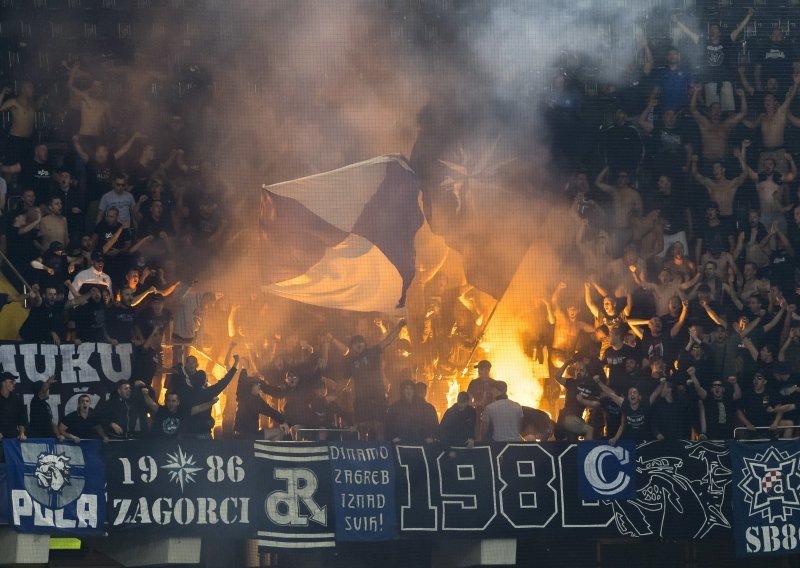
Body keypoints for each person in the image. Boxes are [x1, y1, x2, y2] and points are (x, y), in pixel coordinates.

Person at [331, 319, 407, 441]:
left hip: (378, 396)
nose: (359, 345)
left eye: (360, 342)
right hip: (361, 400)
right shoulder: (350, 362)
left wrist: (399, 326)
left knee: (379, 426)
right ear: (352, 347)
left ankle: (381, 452)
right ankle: (365, 454)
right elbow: (345, 382)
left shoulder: (372, 352)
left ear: (364, 344)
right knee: (362, 428)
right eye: (356, 344)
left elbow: (387, 341)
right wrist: (336, 394)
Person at [673, 9, 753, 113]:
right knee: (713, 113)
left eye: (715, 29)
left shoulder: (726, 41)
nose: (712, 31)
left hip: (725, 82)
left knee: (728, 112)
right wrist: (677, 22)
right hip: (710, 83)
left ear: (719, 33)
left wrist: (748, 17)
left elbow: (739, 29)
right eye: (711, 29)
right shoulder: (704, 42)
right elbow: (690, 33)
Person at [174, 354, 239, 439]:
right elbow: (225, 381)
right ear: (205, 381)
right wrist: (235, 364)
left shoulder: (186, 390)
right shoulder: (209, 392)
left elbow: (182, 376)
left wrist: (179, 361)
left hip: (187, 435)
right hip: (204, 434)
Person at [593, 374, 666, 443]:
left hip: (644, 440)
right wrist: (598, 382)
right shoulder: (625, 404)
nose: (632, 394)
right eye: (630, 393)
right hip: (629, 441)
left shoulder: (645, 404)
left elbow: (655, 393)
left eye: (634, 392)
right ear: (628, 397)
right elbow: (611, 394)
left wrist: (662, 383)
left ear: (639, 397)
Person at [134, 381, 217, 438]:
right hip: (160, 444)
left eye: (173, 401)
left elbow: (199, 408)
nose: (171, 403)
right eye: (169, 401)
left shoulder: (182, 412)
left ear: (178, 402)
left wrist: (212, 402)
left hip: (176, 445)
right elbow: (151, 404)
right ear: (166, 402)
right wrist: (145, 395)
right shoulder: (162, 410)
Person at [553, 357, 601, 440]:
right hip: (566, 417)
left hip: (577, 419)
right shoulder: (571, 382)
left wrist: (583, 401)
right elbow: (557, 377)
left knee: (572, 443)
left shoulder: (590, 386)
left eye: (581, 370)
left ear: (586, 373)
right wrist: (566, 364)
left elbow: (597, 403)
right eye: (577, 370)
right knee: (590, 430)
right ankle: (587, 452)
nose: (578, 372)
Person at [234, 369, 288, 440]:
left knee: (279, 432)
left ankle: (266, 450)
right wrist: (245, 369)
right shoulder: (243, 396)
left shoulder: (257, 400)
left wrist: (283, 421)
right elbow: (241, 381)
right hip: (243, 436)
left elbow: (269, 411)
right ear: (251, 386)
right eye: (258, 385)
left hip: (253, 434)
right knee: (279, 433)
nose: (260, 388)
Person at [688, 374, 741, 440]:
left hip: (727, 436)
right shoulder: (708, 399)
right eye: (714, 386)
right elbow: (698, 389)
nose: (717, 387)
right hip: (712, 436)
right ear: (711, 390)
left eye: (719, 385)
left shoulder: (727, 398)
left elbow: (738, 395)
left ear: (723, 389)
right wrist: (693, 375)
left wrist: (735, 383)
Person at [0, 372, 28, 442]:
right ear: (3, 383)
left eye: (14, 381)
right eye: (11, 381)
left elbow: (22, 420)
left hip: (12, 438)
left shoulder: (17, 399)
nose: (14, 383)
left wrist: (22, 433)